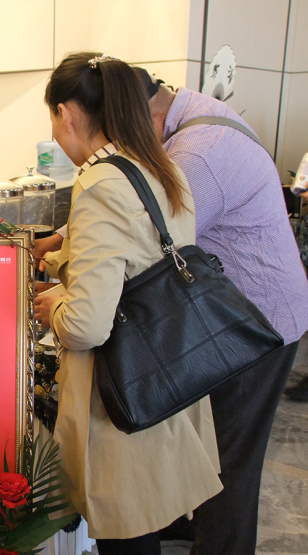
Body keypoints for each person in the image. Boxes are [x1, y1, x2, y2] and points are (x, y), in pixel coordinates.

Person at [33, 52, 222, 555]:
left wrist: (55, 308)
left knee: (128, 533)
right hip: (169, 364)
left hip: (122, 391)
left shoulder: (98, 183)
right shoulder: (159, 165)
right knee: (147, 522)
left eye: (52, 117)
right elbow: (139, 266)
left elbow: (87, 325)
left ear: (67, 113)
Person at [131, 67, 308, 553]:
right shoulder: (187, 117)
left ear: (144, 114)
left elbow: (150, 241)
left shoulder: (199, 153)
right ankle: (193, 524)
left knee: (233, 455)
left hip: (260, 320)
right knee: (208, 440)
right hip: (232, 313)